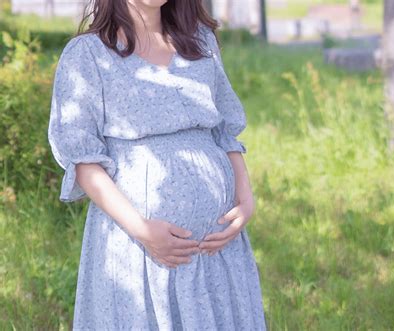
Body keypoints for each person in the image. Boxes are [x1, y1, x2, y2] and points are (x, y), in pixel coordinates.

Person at [47, 0, 267, 329]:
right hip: (139, 247)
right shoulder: (87, 55)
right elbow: (83, 160)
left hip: (217, 250)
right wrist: (143, 230)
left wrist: (246, 200)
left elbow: (223, 130)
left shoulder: (200, 42)